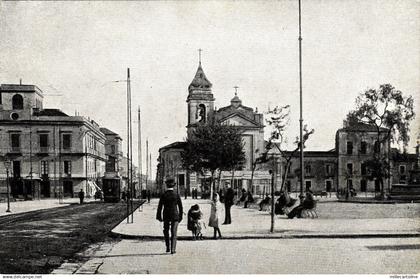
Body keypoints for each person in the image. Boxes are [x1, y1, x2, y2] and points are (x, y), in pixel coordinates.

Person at [156, 178, 183, 254]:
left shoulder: (164, 195)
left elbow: (160, 206)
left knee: (166, 231)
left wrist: (159, 216)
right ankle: (173, 249)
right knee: (174, 232)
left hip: (166, 215)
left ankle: (168, 247)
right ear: (174, 186)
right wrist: (180, 217)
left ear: (166, 185)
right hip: (175, 215)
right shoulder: (176, 194)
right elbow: (180, 207)